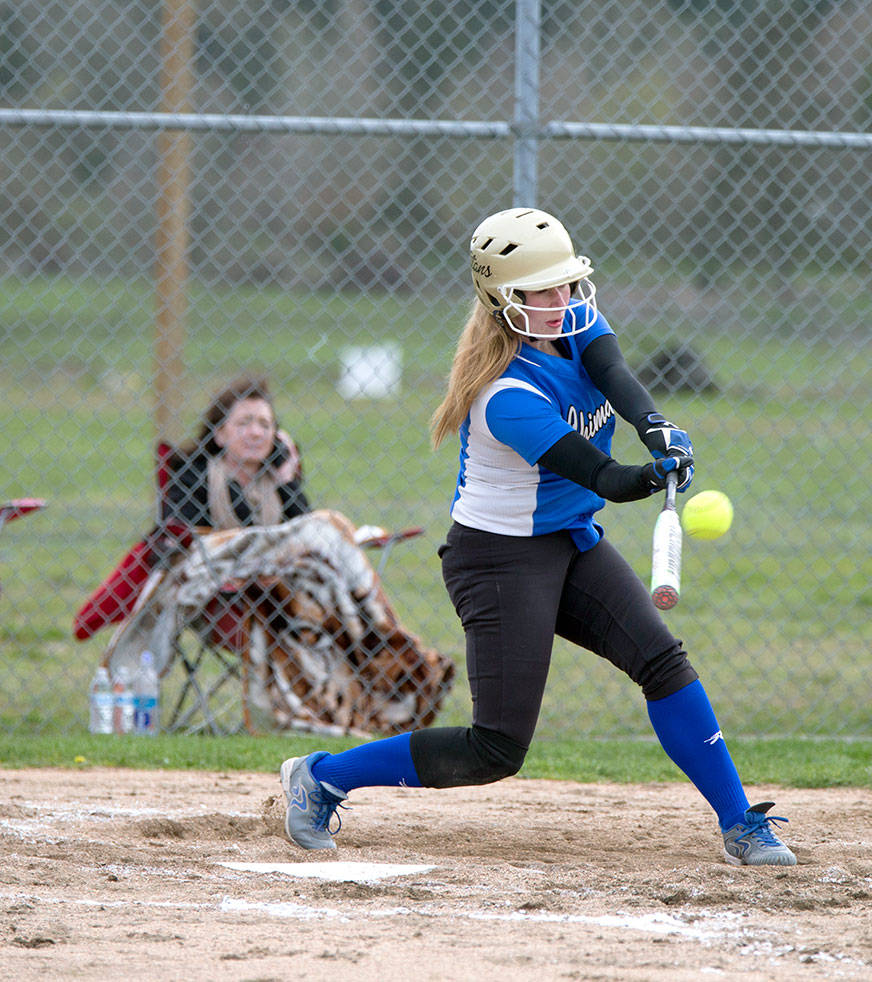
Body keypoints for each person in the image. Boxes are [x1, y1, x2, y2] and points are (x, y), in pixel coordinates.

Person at [279, 207, 795, 867]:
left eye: (566, 284)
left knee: (662, 662)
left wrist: (659, 429)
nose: (563, 300)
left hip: (569, 540)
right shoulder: (505, 397)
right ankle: (321, 777)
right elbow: (603, 475)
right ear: (504, 301)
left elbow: (616, 377)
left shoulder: (574, 324)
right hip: (497, 562)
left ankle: (741, 823)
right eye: (543, 291)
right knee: (494, 749)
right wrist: (650, 472)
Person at [165, 375, 309, 530]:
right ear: (220, 434)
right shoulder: (193, 479)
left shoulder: (281, 483)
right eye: (243, 423)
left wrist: (286, 480)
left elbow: (310, 535)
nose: (256, 433)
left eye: (265, 424)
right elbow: (181, 538)